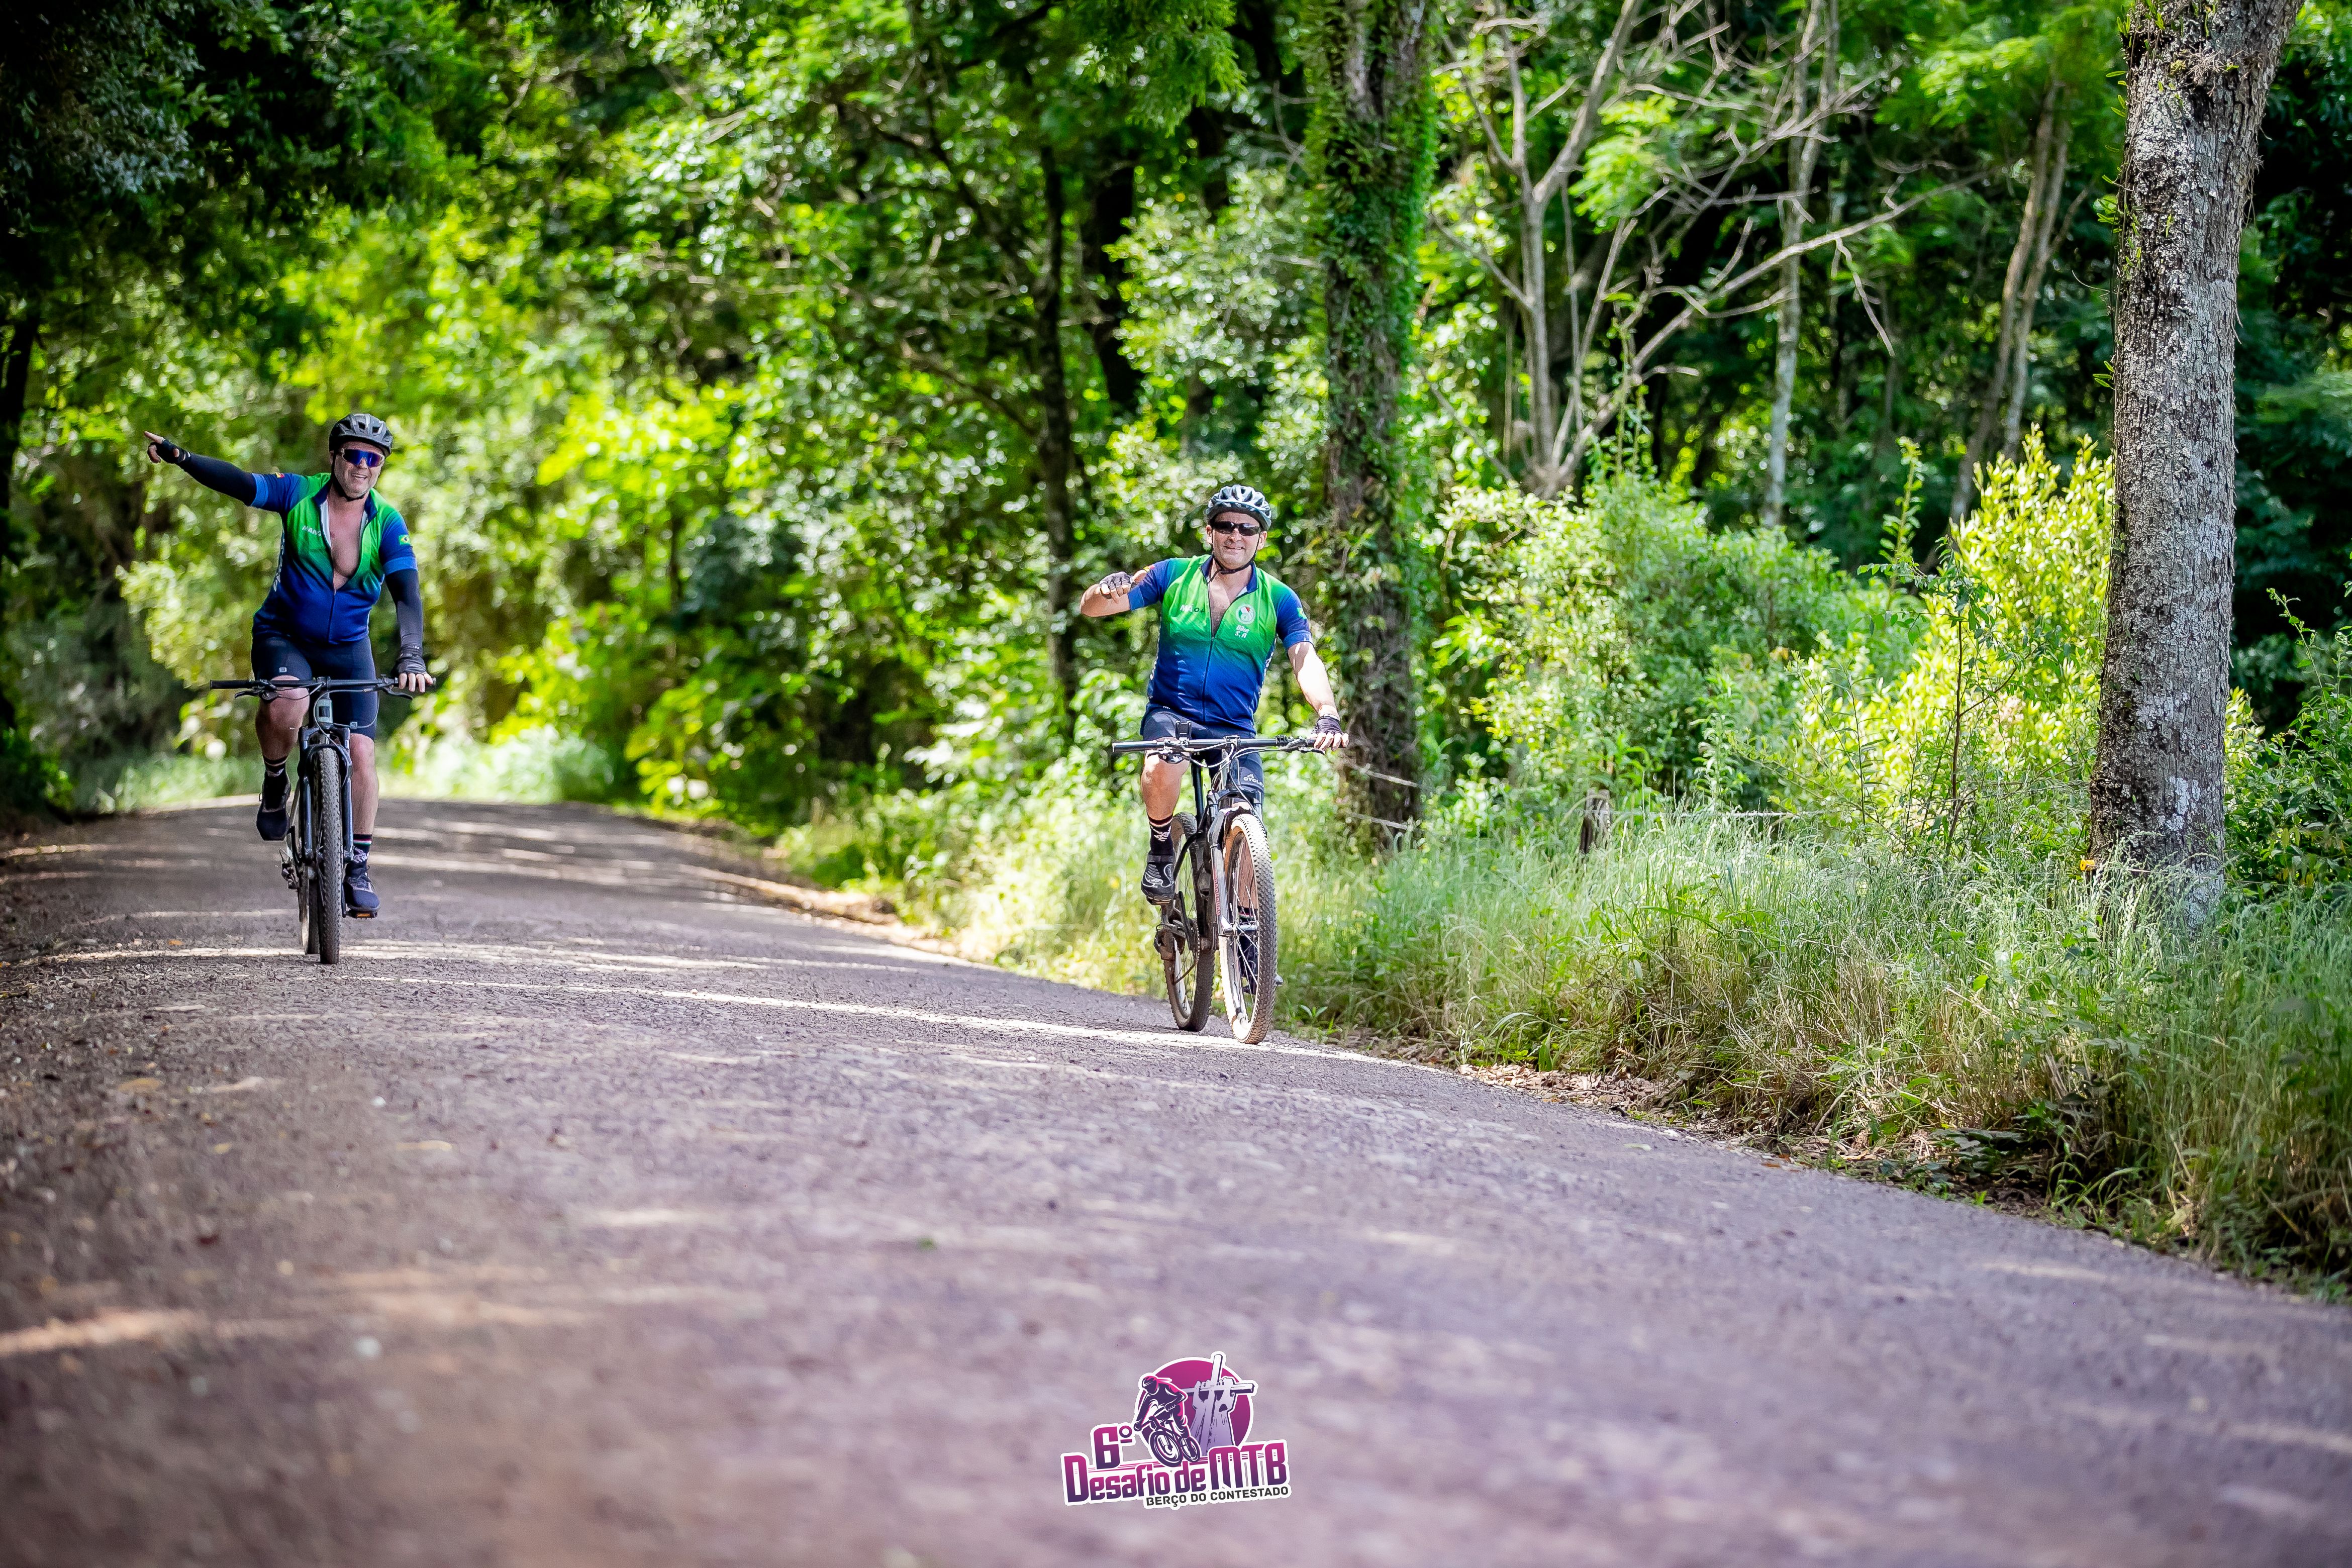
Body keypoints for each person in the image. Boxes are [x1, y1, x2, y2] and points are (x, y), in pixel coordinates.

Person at [144, 414, 434, 917]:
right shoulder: (299, 494)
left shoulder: (387, 522)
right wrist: (181, 458)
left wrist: (411, 653)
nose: (363, 466)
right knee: (287, 703)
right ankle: (276, 779)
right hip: (284, 636)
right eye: (354, 455)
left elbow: (407, 593)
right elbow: (240, 483)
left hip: (349, 646)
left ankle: (357, 866)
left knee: (362, 755)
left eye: (374, 459)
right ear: (335, 456)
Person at [1079, 483, 1346, 904]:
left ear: (1261, 539)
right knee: (1162, 761)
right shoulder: (1173, 575)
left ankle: (1249, 935)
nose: (1235, 535)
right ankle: (1161, 848)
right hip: (1172, 712)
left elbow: (1303, 656)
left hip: (1234, 726)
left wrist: (1327, 711)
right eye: (1225, 526)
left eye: (1247, 528)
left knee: (1247, 826)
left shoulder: (1278, 598)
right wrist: (1104, 590)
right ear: (1210, 532)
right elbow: (1091, 608)